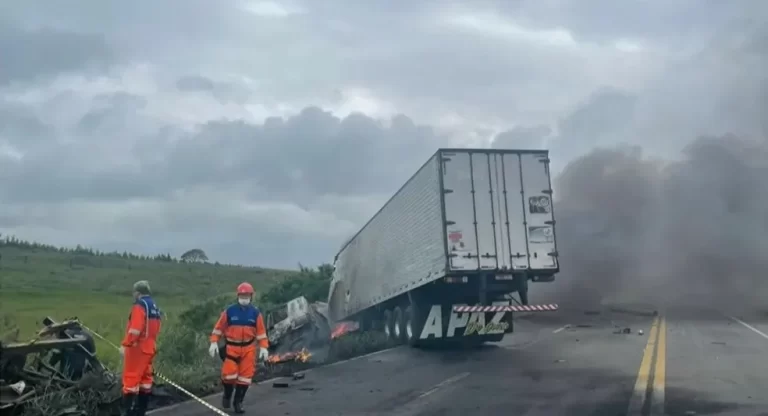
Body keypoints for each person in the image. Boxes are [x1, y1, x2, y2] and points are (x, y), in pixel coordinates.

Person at [209, 282, 269, 413]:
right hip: (232, 348)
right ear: (238, 296)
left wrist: (264, 347)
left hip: (248, 349)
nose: (244, 298)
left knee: (245, 378)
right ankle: (227, 395)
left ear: (251, 296)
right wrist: (214, 342)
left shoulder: (255, 313)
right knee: (228, 376)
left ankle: (238, 403)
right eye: (242, 295)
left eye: (247, 295)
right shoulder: (229, 311)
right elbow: (218, 328)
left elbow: (261, 333)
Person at [120, 280, 162, 416]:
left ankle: (128, 412)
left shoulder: (139, 305)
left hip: (137, 348)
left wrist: (126, 344)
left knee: (130, 380)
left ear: (137, 292)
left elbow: (135, 330)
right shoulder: (153, 306)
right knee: (145, 381)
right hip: (150, 347)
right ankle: (141, 411)